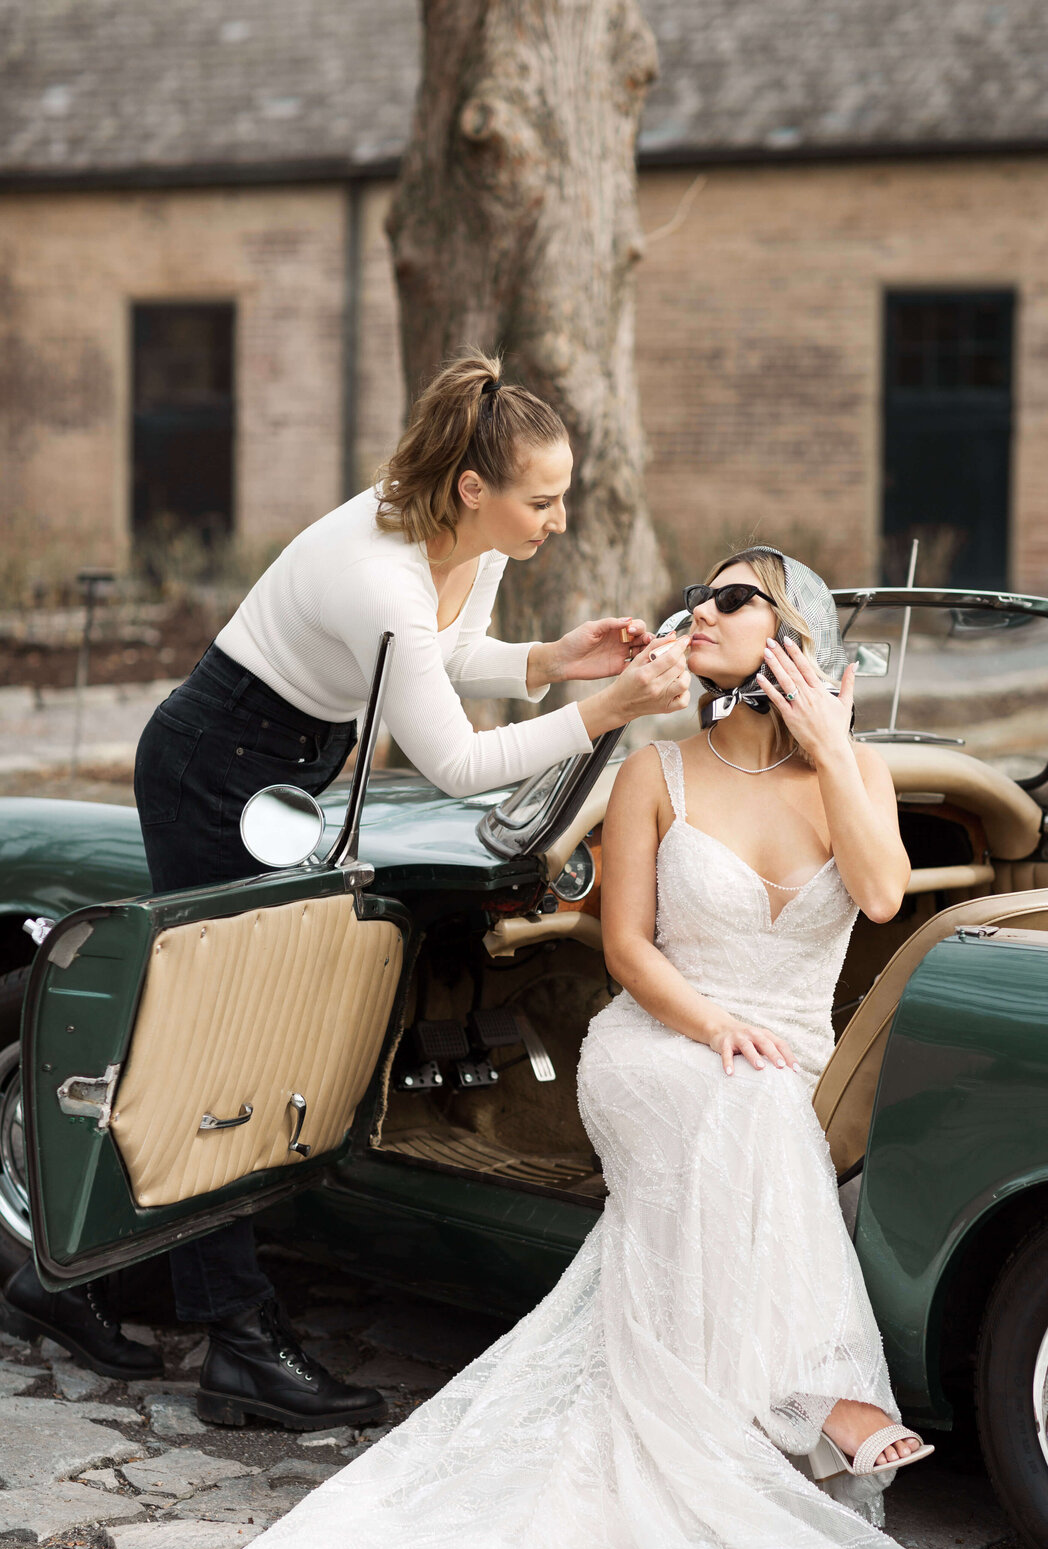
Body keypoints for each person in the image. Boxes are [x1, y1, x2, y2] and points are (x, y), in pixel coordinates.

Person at [46, 546, 951, 1549]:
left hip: (768, 1060)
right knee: (747, 1103)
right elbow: (626, 952)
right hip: (656, 1045)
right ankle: (826, 1397)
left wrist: (834, 745)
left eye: (739, 597)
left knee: (754, 1106)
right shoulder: (652, 772)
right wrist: (713, 1023)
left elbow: (885, 895)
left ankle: (750, 1420)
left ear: (801, 636)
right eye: (701, 597)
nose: (707, 611)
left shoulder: (861, 773)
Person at [3, 349, 690, 1432]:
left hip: (282, 770)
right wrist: (606, 713)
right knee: (229, 1041)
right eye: (543, 500)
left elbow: (441, 661)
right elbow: (457, 763)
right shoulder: (378, 570)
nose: (557, 520)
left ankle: (57, 1279)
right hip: (210, 769)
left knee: (207, 1031)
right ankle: (237, 1344)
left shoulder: (475, 548)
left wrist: (555, 661)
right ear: (474, 488)